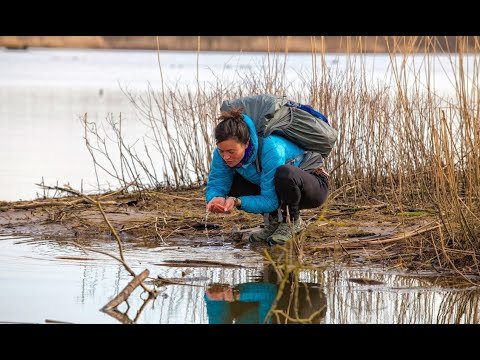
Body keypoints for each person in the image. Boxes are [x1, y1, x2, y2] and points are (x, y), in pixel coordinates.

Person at [205, 107, 330, 245]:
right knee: (233, 183)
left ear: (246, 143)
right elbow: (217, 183)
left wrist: (237, 202)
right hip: (279, 189)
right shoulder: (222, 154)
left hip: (312, 185)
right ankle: (275, 222)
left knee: (284, 174)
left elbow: (271, 200)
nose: (226, 156)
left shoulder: (271, 148)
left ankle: (292, 222)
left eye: (231, 151)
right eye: (221, 151)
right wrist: (215, 198)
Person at [204, 264, 327, 324]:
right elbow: (269, 294)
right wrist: (235, 294)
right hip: (304, 302)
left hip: (270, 301)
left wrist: (215, 298)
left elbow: (217, 316)